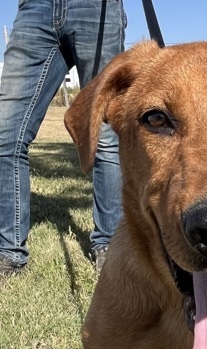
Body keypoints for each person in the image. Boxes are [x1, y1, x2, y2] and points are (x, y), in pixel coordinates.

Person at [0, 0, 126, 277]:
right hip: (34, 8)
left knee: (105, 136)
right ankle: (8, 251)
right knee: (6, 135)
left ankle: (110, 246)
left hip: (97, 6)